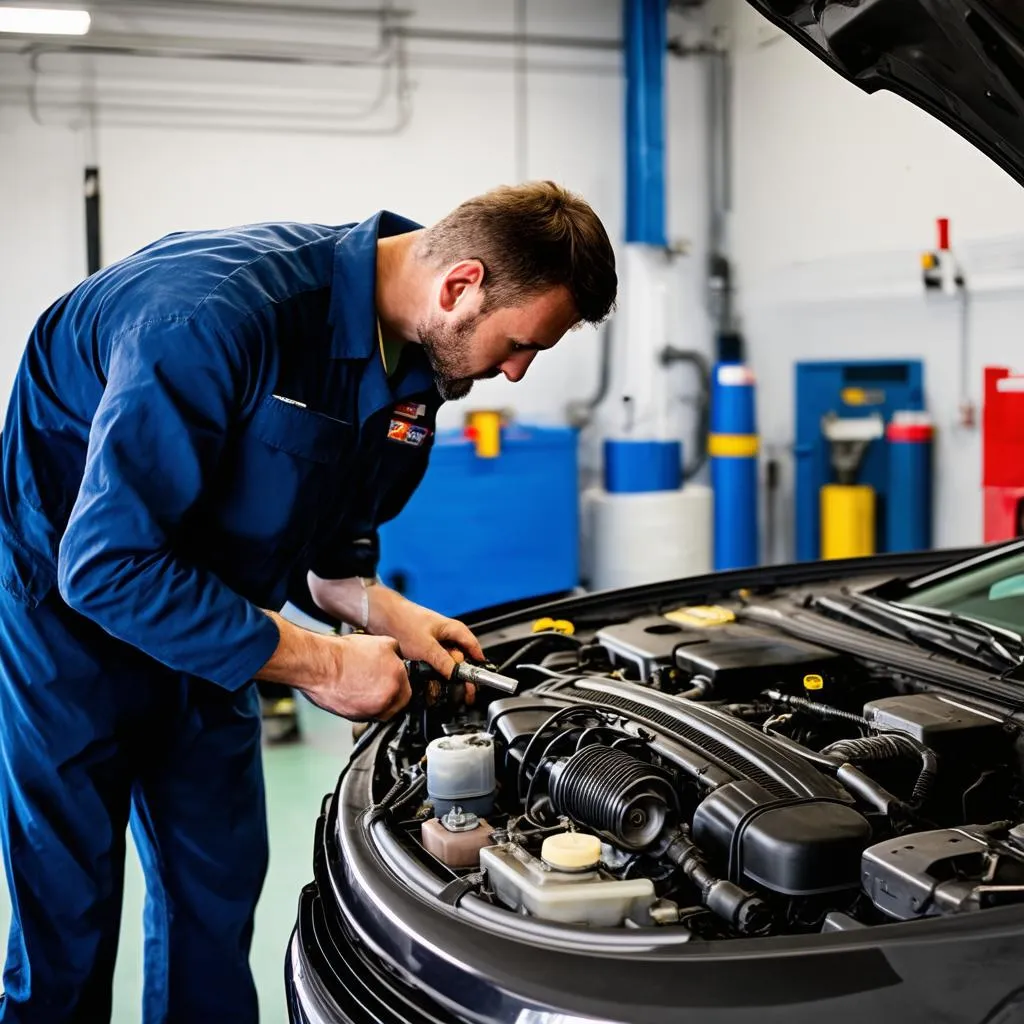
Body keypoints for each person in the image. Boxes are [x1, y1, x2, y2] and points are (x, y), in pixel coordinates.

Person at [0, 180, 617, 1022]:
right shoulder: (212, 319)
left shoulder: (419, 360)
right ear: (460, 285)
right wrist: (321, 661)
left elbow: (324, 528)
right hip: (66, 628)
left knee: (212, 897)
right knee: (67, 912)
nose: (515, 371)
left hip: (219, 618)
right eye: (520, 344)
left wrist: (374, 607)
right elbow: (107, 565)